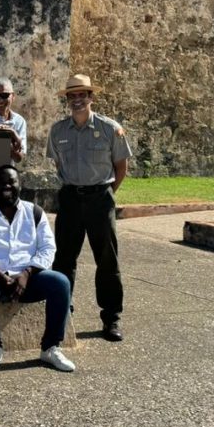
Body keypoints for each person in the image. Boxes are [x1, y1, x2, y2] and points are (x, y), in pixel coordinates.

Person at [0, 165, 75, 372]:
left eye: (11, 181)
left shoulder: (34, 212)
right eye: (1, 182)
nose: (7, 186)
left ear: (19, 185)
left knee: (60, 282)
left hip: (28, 279)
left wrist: (26, 273)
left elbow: (48, 248)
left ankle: (50, 348)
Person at [46, 73, 132, 342]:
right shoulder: (58, 131)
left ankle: (111, 317)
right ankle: (63, 312)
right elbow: (58, 164)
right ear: (67, 100)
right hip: (70, 198)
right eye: (72, 96)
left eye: (82, 94)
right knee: (64, 259)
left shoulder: (110, 129)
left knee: (107, 260)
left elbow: (121, 166)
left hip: (99, 199)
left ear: (91, 97)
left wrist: (105, 194)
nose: (77, 100)